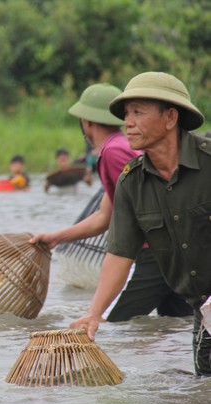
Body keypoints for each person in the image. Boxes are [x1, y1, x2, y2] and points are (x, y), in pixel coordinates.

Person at [68, 72, 208, 375]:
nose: (127, 122)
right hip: (204, 310)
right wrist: (94, 314)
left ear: (170, 117)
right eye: (127, 113)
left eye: (138, 112)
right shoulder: (132, 182)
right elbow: (120, 253)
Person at [32, 82, 192, 321]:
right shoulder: (120, 145)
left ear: (86, 122)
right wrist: (56, 238)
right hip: (174, 252)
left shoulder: (113, 152)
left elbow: (144, 211)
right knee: (177, 323)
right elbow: (105, 217)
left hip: (157, 254)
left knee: (117, 328)